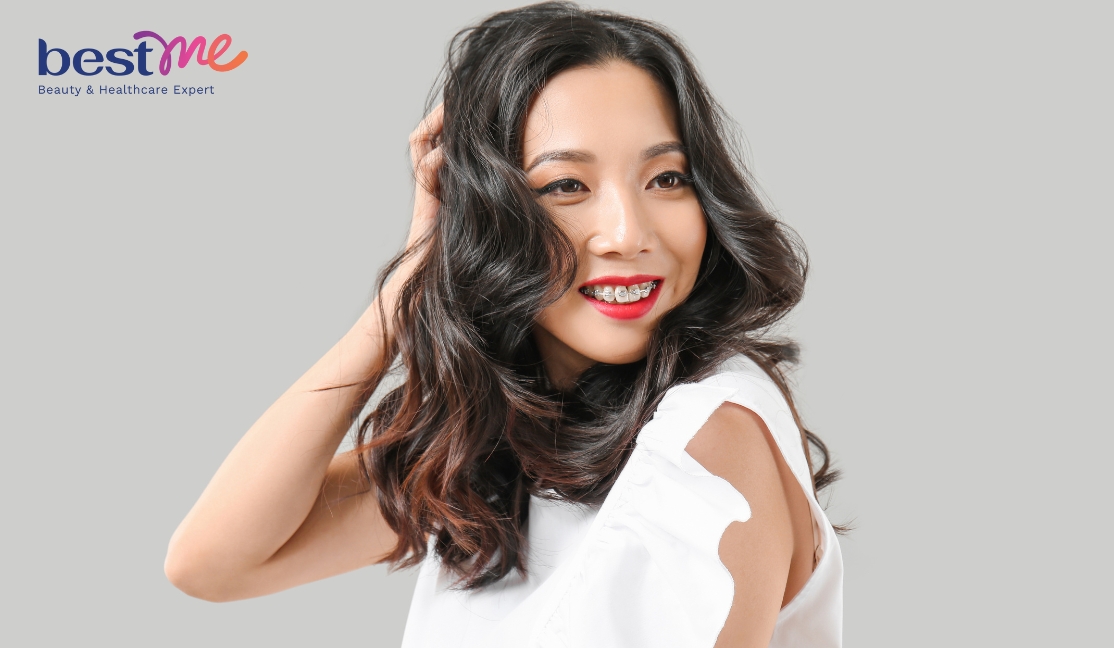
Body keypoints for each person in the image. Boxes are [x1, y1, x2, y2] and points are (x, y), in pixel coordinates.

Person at [164, 2, 843, 646]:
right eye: (566, 186)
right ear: (484, 214)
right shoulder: (507, 437)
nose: (627, 234)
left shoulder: (712, 430)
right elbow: (213, 564)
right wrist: (405, 289)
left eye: (667, 178)